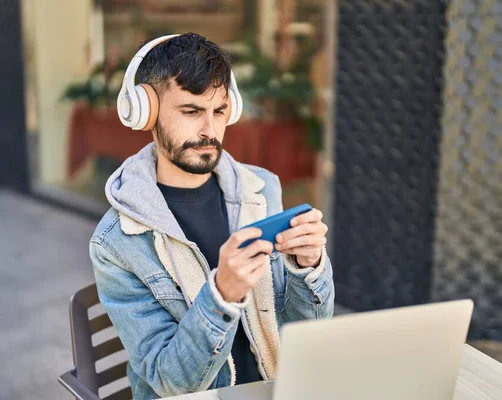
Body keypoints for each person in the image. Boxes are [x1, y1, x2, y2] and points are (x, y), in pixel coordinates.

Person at [90, 32, 335, 399]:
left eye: (219, 111)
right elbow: (171, 381)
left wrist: (309, 268)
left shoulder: (263, 190)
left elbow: (309, 336)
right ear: (145, 113)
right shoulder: (116, 242)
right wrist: (222, 296)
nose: (209, 130)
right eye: (191, 111)